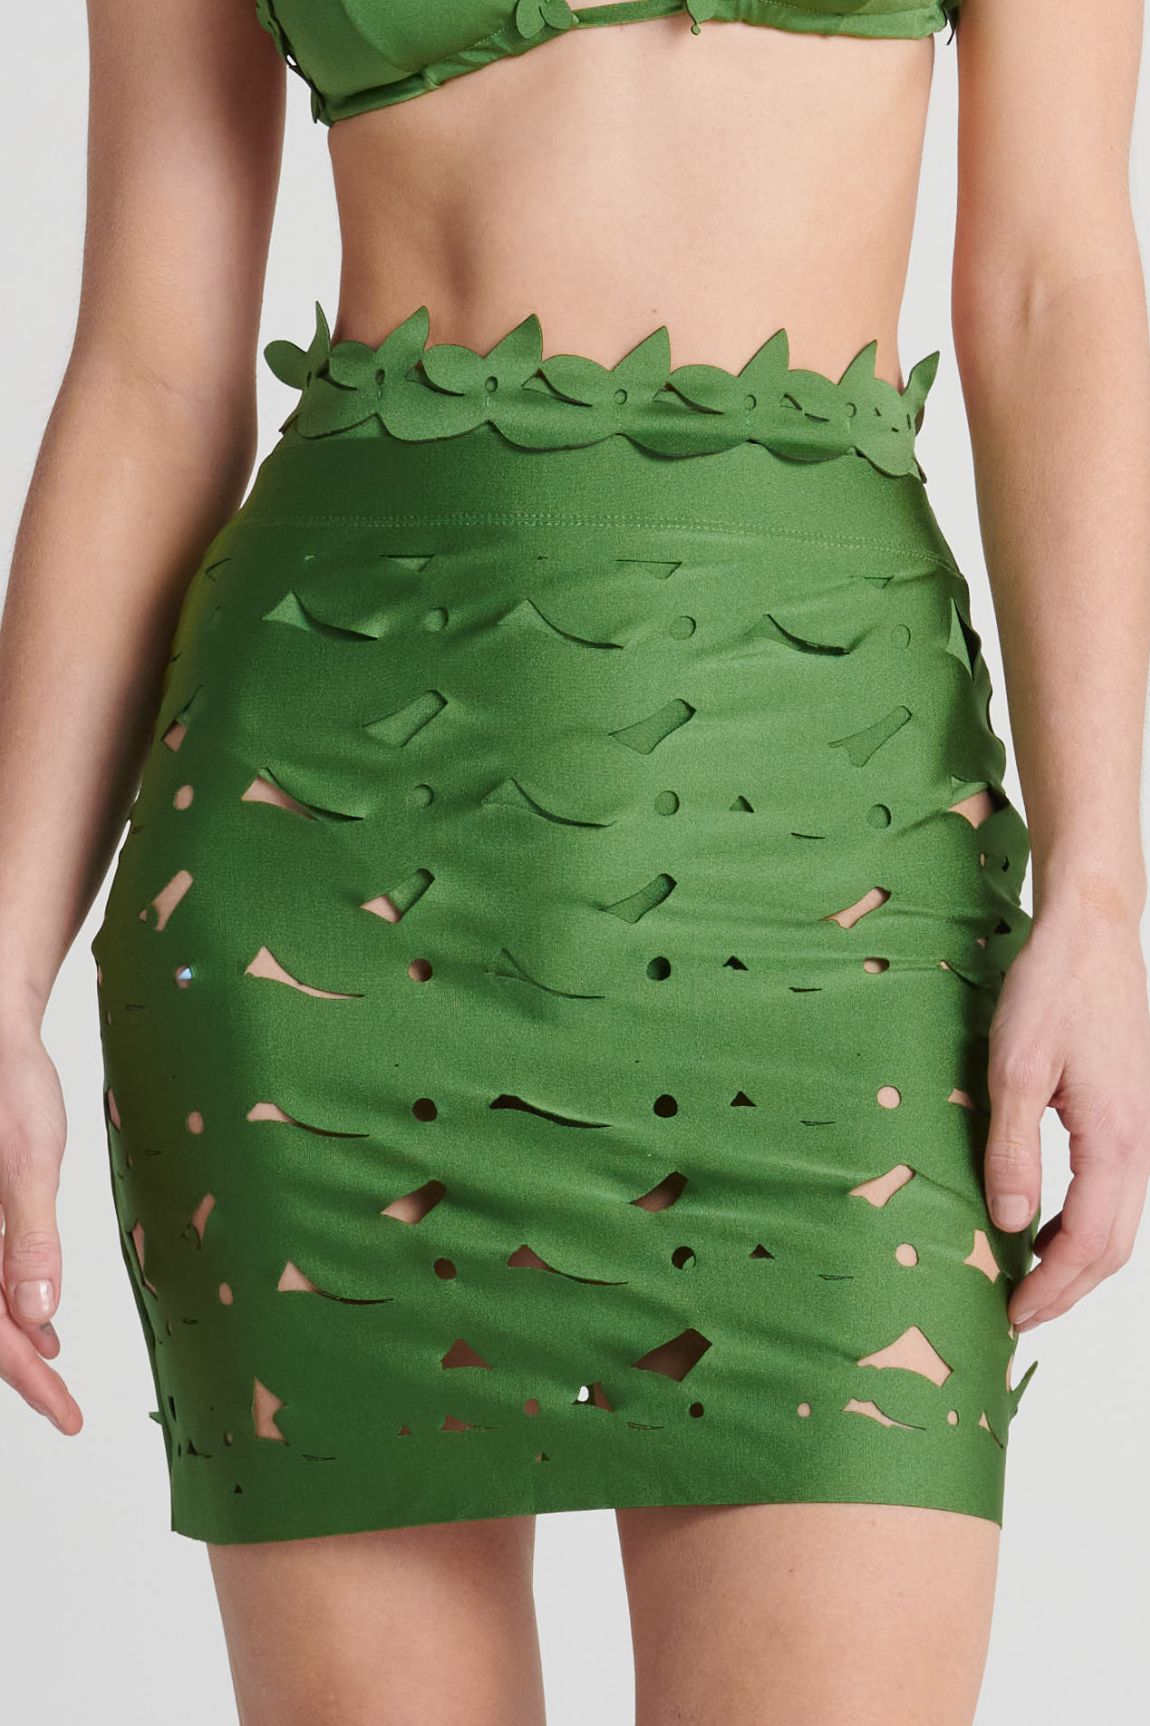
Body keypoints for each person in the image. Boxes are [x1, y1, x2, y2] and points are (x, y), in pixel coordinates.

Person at [2, 2, 1149, 1721]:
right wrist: (0, 966)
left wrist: (1101, 893)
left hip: (835, 855)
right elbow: (151, 370)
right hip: (333, 870)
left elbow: (1054, 282)